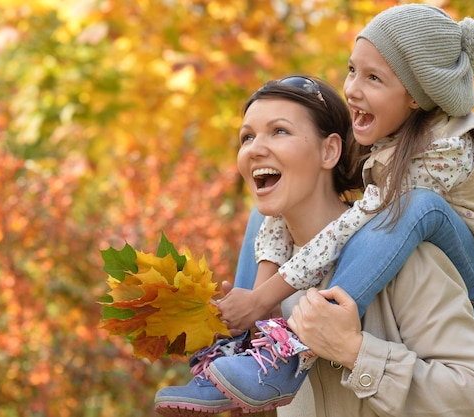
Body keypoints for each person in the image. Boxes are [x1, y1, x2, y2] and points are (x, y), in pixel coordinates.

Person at [207, 4, 474, 412]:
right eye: (353, 70)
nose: (352, 88)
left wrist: (349, 347)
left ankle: (297, 343)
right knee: (264, 217)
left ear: (414, 95)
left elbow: (357, 221)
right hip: (406, 232)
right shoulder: (384, 139)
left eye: (373, 77)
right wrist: (252, 302)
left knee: (413, 205)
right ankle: (243, 346)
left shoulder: (447, 150)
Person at [155, 75, 366, 416]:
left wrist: (357, 353)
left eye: (279, 131)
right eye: (247, 137)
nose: (255, 148)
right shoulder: (272, 238)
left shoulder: (394, 250)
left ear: (329, 150)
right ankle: (243, 349)